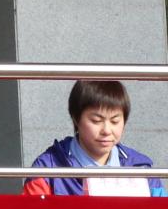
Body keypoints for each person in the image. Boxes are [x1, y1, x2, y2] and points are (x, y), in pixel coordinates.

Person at [24, 80, 166, 196]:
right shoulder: (48, 169)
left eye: (115, 121)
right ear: (76, 118)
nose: (107, 130)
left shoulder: (140, 169)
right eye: (96, 121)